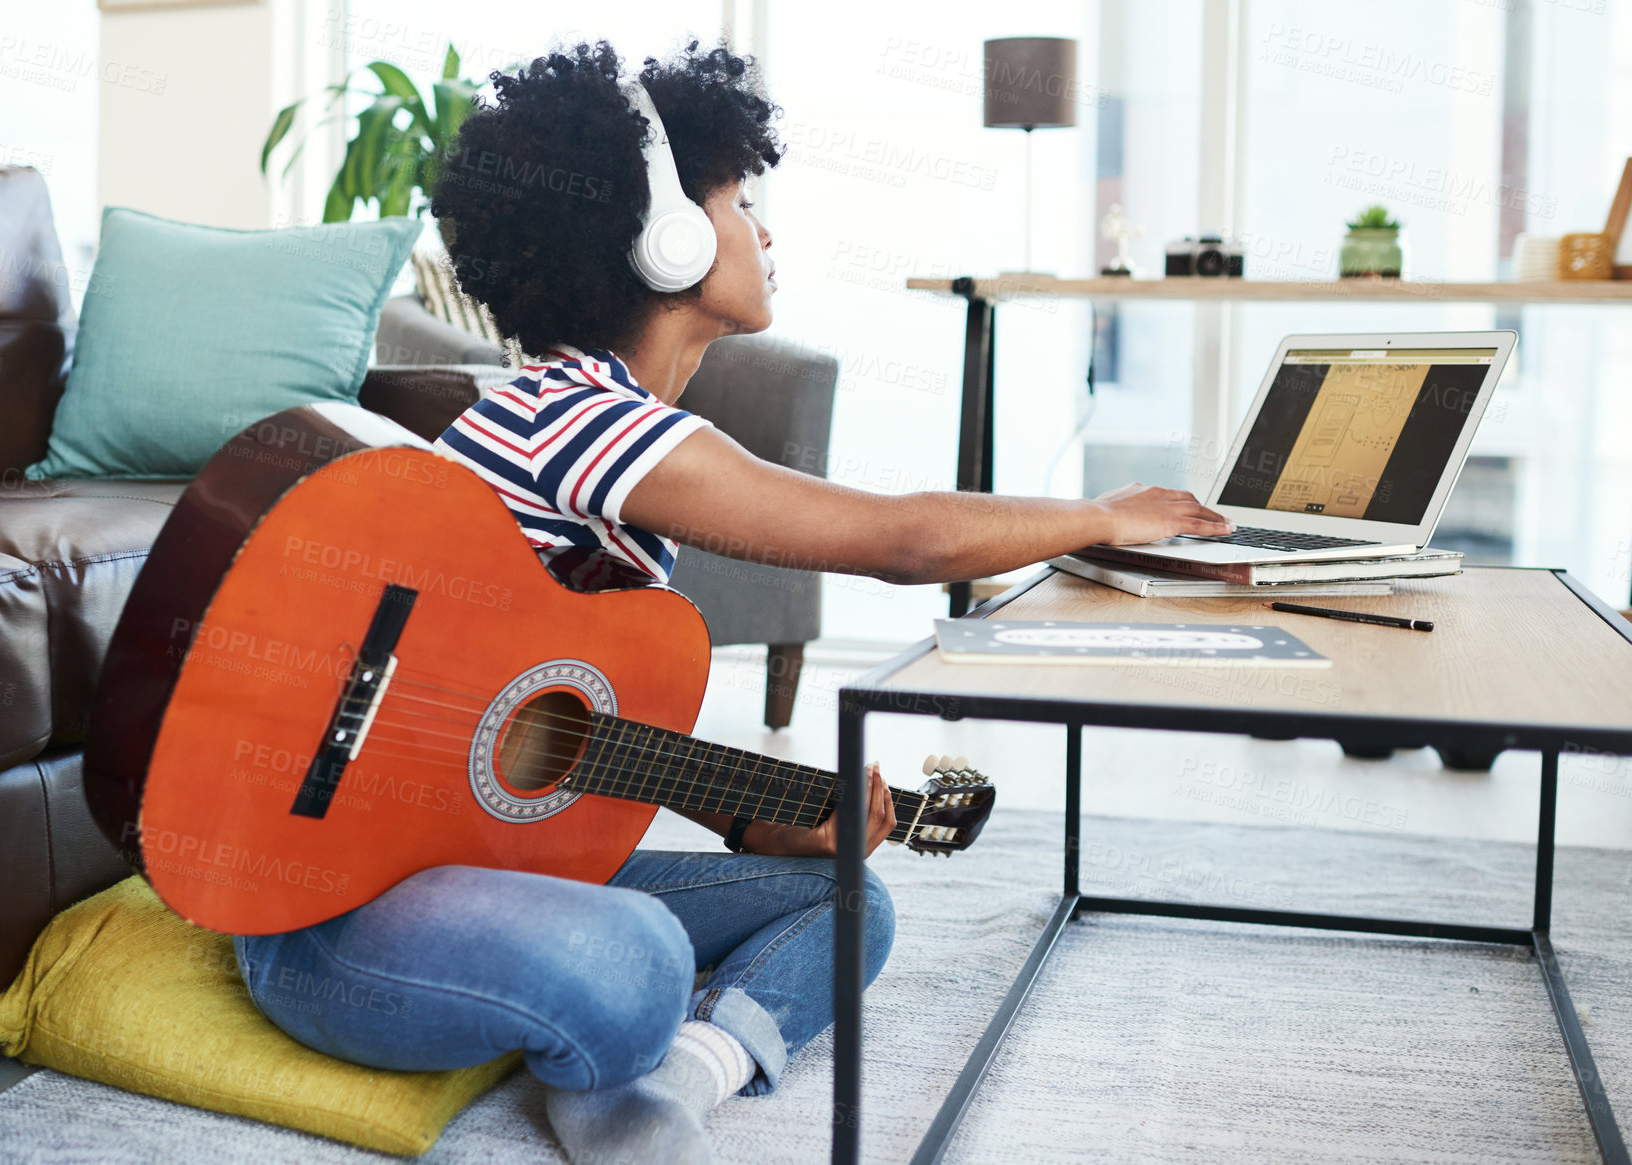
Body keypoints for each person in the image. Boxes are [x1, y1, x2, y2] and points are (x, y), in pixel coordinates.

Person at [234, 38, 1231, 1165]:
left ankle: (672, 1082)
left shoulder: (582, 427)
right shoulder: (579, 416)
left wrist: (745, 811)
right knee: (641, 953)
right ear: (666, 235)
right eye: (743, 200)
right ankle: (621, 1033)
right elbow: (899, 538)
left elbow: (522, 728)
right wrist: (1102, 516)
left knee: (854, 903)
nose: (766, 232)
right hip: (333, 921)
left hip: (471, 875)